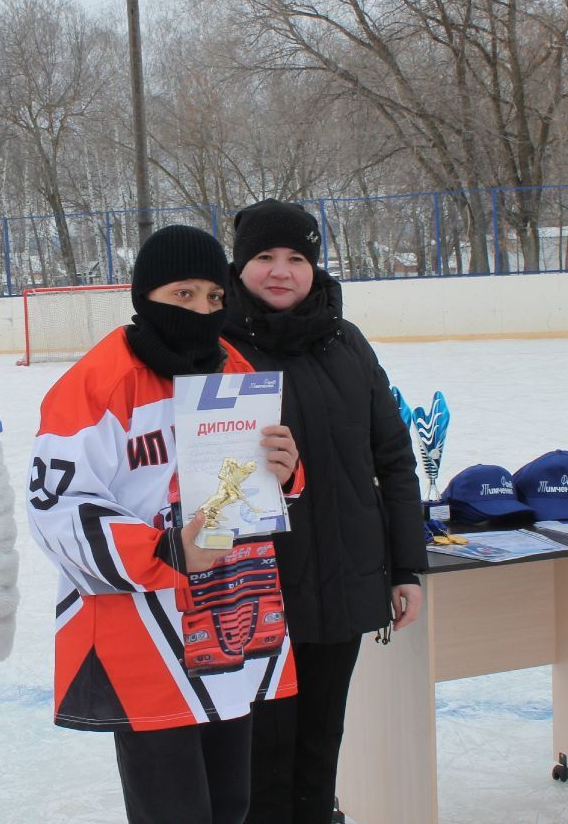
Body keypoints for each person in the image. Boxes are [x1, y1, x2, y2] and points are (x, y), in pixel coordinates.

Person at [26, 224, 302, 824]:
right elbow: (56, 511)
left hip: (230, 620)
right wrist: (165, 551)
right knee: (174, 812)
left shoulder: (232, 367)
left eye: (214, 296)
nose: (202, 310)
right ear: (145, 295)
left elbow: (254, 484)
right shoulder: (98, 382)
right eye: (184, 294)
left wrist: (285, 472)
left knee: (231, 806)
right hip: (142, 638)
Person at [220, 199, 428, 823]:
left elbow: (393, 460)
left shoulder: (347, 342)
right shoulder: (216, 346)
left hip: (343, 582)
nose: (281, 270)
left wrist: (406, 567)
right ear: (240, 265)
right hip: (255, 593)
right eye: (264, 256)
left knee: (320, 743)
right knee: (260, 755)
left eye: (296, 257)